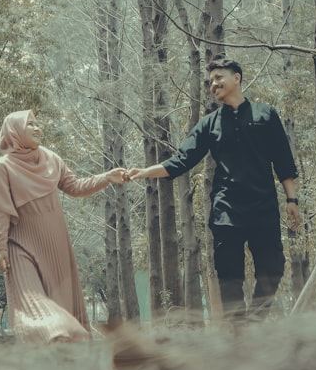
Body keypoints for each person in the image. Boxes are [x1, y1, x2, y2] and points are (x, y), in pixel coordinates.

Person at [128, 57, 300, 319]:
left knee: (273, 267)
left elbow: (283, 160)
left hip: (263, 208)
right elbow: (182, 160)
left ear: (236, 78)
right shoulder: (210, 124)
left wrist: (292, 200)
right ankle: (238, 332)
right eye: (210, 81)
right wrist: (143, 172)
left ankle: (255, 319)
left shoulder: (266, 115)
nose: (213, 84)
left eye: (219, 78)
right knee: (229, 278)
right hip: (226, 211)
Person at [0, 110, 126, 343]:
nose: (36, 128)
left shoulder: (52, 159)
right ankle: (53, 341)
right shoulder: (2, 167)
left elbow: (75, 186)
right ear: (14, 132)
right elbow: (0, 209)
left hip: (56, 246)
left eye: (36, 123)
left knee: (61, 303)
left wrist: (107, 177)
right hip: (20, 245)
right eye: (29, 124)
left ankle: (66, 359)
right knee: (31, 301)